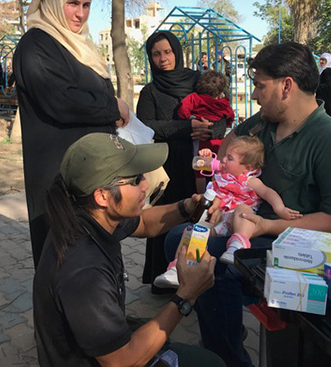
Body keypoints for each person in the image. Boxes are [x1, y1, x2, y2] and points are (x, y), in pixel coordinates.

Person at [165, 42, 331, 366]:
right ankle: (224, 339)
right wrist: (225, 190)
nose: (255, 95)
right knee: (181, 238)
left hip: (292, 244)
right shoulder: (263, 123)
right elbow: (229, 144)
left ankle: (226, 355)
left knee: (216, 267)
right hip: (247, 228)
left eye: (260, 86)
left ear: (286, 86)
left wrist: (268, 225)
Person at [33, 133, 225, 367]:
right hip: (115, 359)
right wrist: (187, 295)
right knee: (211, 364)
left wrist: (188, 207)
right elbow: (122, 361)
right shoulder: (84, 270)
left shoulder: (88, 213)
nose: (146, 184)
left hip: (109, 348)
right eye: (135, 180)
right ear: (102, 196)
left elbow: (144, 223)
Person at [13, 0, 129, 268]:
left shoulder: (83, 48)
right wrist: (111, 108)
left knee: (98, 249)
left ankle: (103, 314)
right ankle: (65, 316)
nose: (80, 14)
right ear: (53, 1)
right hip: (58, 173)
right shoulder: (35, 46)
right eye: (72, 3)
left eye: (86, 5)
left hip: (93, 171)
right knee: (64, 254)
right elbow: (60, 101)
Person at [155, 135, 302, 288]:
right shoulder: (222, 175)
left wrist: (280, 209)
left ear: (248, 168)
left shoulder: (250, 181)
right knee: (190, 232)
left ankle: (238, 245)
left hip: (237, 223)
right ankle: (177, 269)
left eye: (229, 158)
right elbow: (200, 165)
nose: (223, 160)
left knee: (244, 211)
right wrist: (204, 156)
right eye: (225, 155)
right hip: (217, 221)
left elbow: (268, 193)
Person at [137, 30, 221, 293]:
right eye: (156, 54)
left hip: (202, 164)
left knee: (202, 216)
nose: (163, 59)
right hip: (169, 165)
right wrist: (186, 128)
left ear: (177, 52)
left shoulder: (198, 81)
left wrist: (212, 131)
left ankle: (197, 278)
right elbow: (146, 125)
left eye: (168, 52)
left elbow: (220, 110)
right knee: (166, 217)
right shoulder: (151, 91)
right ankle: (162, 276)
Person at [177, 70, 235, 193]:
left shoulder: (194, 98)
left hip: (200, 140)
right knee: (217, 166)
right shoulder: (224, 104)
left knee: (200, 168)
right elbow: (230, 119)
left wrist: (193, 118)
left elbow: (182, 111)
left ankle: (201, 195)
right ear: (220, 92)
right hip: (218, 142)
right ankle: (216, 192)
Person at [316, 52, 331, 118]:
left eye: (323, 60)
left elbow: (327, 86)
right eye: (320, 60)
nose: (321, 62)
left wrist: (316, 85)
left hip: (326, 99)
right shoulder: (322, 70)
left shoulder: (328, 71)